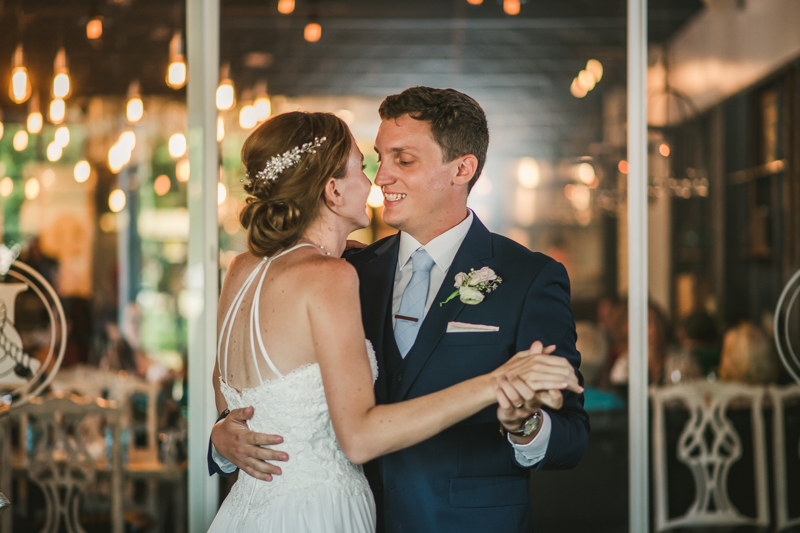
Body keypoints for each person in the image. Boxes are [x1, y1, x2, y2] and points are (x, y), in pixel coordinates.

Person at [209, 88, 589, 533]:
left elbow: (571, 434)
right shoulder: (343, 269)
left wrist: (525, 426)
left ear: (462, 169)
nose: (382, 176)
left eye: (403, 160)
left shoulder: (529, 277)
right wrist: (220, 437)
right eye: (376, 159)